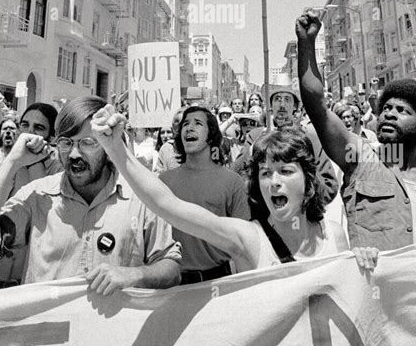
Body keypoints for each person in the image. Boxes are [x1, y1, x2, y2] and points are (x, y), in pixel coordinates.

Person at [90, 108, 350, 272]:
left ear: (308, 179)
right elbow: (167, 205)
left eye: (285, 171)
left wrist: (366, 264)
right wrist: (115, 148)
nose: (274, 181)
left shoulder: (335, 235)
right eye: (265, 173)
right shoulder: (247, 239)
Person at [0, 96, 181, 293]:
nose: (75, 154)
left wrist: (136, 275)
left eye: (87, 143)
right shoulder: (36, 197)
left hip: (116, 326)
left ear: (108, 144)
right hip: (49, 326)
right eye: (66, 143)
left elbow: (171, 268)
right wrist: (12, 162)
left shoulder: (140, 198)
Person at [296, 9, 416, 267]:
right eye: (386, 108)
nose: (389, 114)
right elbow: (317, 105)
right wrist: (306, 43)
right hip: (378, 299)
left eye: (402, 111)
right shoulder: (363, 156)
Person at [153, 105, 251, 283]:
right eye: (185, 124)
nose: (189, 128)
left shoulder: (232, 182)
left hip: (217, 284)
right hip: (170, 287)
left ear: (211, 135)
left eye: (198, 123)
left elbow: (243, 245)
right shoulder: (163, 181)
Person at [0, 102, 63, 291]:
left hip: (31, 277)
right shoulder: (5, 160)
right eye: (25, 125)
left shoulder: (58, 169)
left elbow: (45, 213)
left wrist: (34, 161)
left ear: (51, 137)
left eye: (39, 128)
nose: (29, 132)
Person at [234, 76, 339, 205]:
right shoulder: (255, 136)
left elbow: (329, 185)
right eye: (277, 99)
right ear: (271, 105)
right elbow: (236, 175)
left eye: (287, 99)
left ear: (295, 106)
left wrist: (300, 206)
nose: (282, 105)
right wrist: (252, 151)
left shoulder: (309, 138)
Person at [153, 108, 186, 175]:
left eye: (182, 122)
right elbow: (157, 173)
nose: (178, 125)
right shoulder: (166, 148)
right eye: (175, 122)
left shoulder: (197, 146)